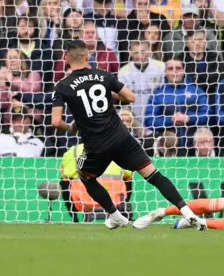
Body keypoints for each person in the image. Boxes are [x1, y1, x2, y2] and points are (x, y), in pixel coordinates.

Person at [51, 39, 206, 230]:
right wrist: (115, 98)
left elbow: (55, 122)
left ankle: (115, 215)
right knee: (154, 174)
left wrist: (71, 127)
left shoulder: (63, 85)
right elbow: (130, 97)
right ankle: (188, 213)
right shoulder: (103, 75)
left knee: (85, 176)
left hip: (96, 144)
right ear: (87, 56)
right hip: (121, 136)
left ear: (66, 58)